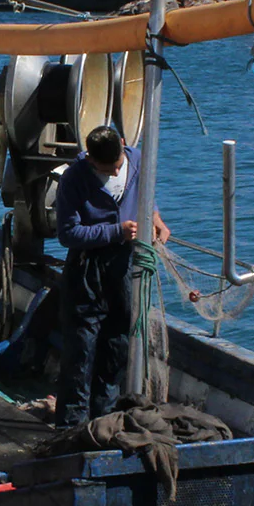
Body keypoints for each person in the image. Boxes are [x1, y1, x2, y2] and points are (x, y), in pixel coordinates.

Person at [52, 123, 168, 428]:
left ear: (124, 145)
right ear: (90, 160)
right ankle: (71, 427)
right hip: (87, 268)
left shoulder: (138, 159)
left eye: (117, 167)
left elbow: (147, 194)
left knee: (117, 344)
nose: (115, 174)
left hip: (124, 266)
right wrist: (115, 231)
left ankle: (106, 421)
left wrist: (155, 219)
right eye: (107, 170)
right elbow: (67, 233)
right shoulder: (73, 179)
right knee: (82, 349)